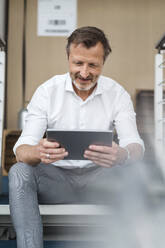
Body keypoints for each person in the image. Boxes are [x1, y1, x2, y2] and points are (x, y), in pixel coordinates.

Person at [9, 26, 144, 248]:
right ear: (68, 58)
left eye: (93, 65)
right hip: (56, 182)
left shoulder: (117, 93)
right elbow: (22, 149)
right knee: (19, 172)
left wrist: (123, 154)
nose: (84, 72)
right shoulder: (47, 91)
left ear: (103, 63)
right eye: (78, 63)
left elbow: (135, 145)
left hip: (101, 181)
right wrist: (38, 151)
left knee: (137, 170)